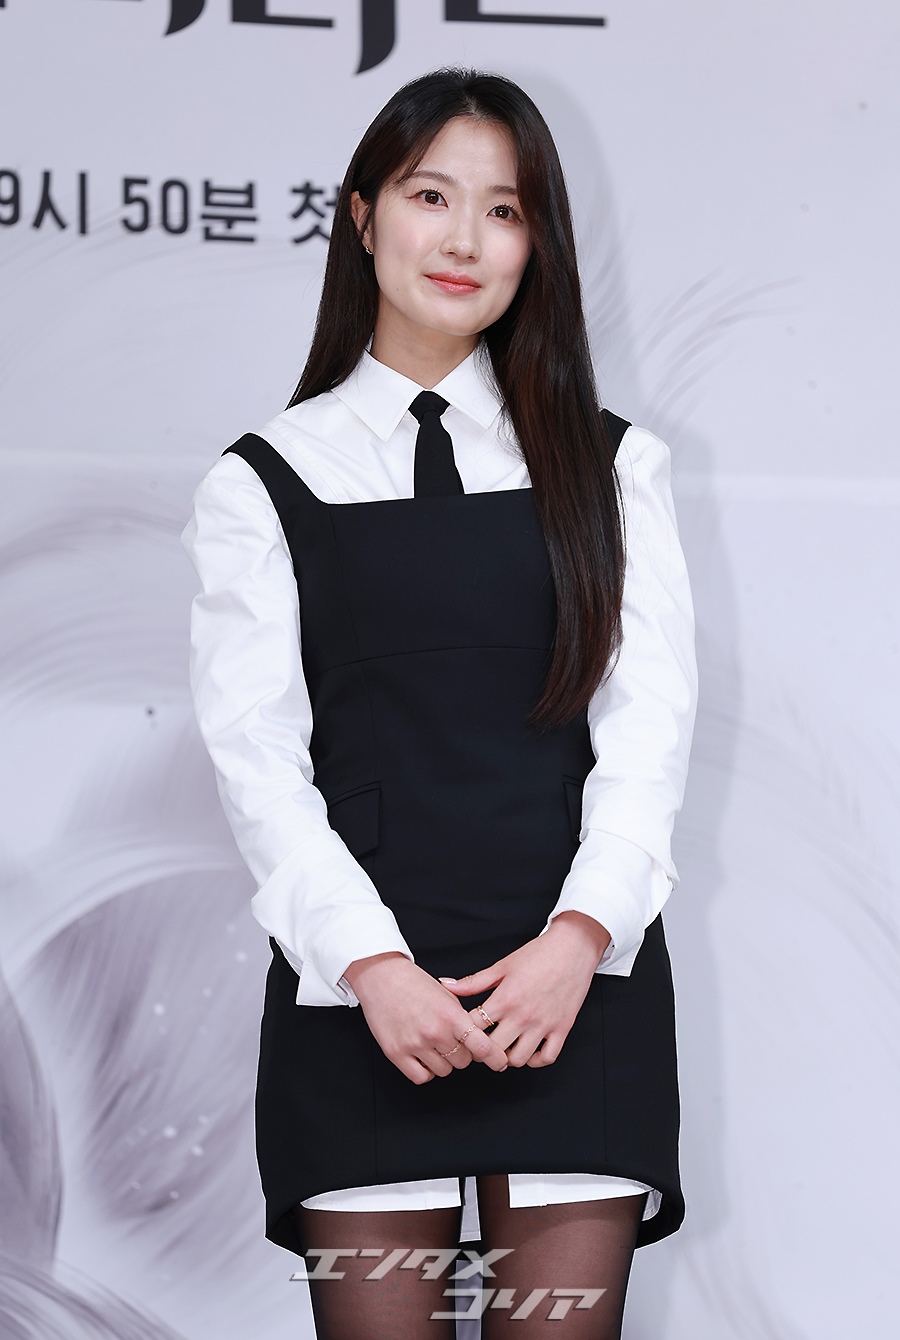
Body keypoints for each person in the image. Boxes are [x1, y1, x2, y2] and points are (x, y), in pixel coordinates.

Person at [181, 67, 697, 1339]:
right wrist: (372, 967)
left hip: (577, 988)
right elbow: (257, 762)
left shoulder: (611, 464)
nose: (465, 238)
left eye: (504, 209)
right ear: (363, 216)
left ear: (538, 241)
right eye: (430, 197)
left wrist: (579, 940)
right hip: (361, 1000)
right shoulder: (264, 479)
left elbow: (648, 734)